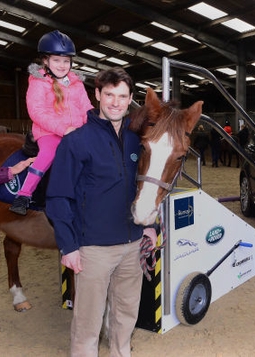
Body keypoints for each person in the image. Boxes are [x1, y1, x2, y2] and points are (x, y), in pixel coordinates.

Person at [45, 67, 157, 356]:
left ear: (130, 98)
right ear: (97, 95)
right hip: (93, 248)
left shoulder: (137, 140)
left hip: (132, 245)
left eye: (122, 96)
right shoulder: (76, 141)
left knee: (125, 315)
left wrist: (149, 226)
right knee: (88, 324)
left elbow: (144, 187)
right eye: (109, 94)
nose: (116, 102)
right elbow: (58, 197)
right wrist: (68, 246)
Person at [9, 30, 93, 215]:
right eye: (57, 60)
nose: (62, 65)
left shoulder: (77, 83)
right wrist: (64, 129)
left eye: (66, 60)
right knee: (49, 153)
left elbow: (86, 107)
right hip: (48, 132)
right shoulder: (38, 82)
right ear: (45, 61)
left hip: (77, 131)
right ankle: (24, 195)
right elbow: (37, 111)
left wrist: (95, 123)